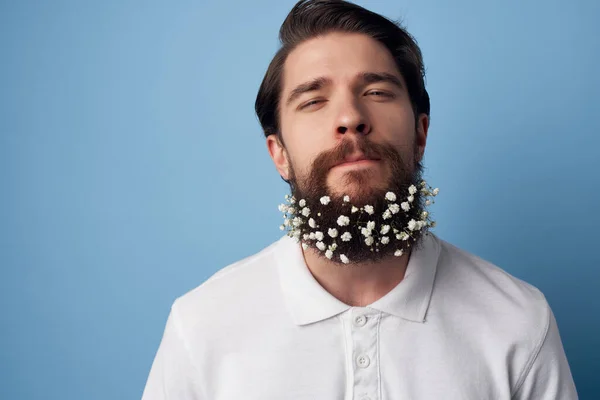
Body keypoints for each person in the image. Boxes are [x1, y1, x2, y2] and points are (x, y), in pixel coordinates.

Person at [141, 1, 578, 398]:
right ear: (280, 155)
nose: (350, 117)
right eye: (313, 100)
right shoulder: (201, 328)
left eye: (376, 93)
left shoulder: (519, 323)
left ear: (420, 134)